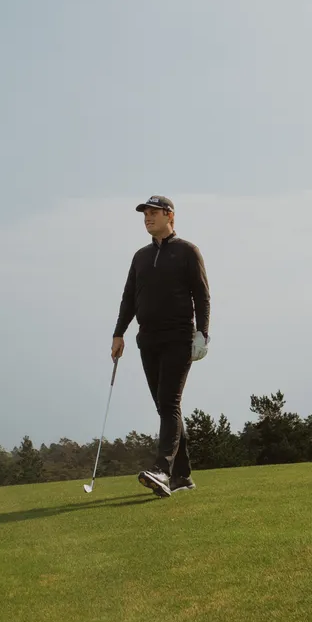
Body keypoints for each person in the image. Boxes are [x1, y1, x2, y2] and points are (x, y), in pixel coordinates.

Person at [111, 195, 210, 497]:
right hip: (148, 339)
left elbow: (202, 296)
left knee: (168, 403)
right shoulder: (140, 256)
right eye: (145, 215)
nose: (148, 218)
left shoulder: (187, 251)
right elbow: (129, 297)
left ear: (170, 216)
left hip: (179, 338)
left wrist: (202, 334)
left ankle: (162, 471)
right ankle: (183, 476)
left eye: (154, 213)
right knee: (166, 407)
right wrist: (119, 334)